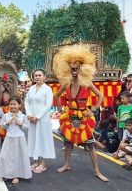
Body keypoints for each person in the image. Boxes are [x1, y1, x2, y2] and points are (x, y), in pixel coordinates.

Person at [53, 44, 108, 182]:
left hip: (84, 117)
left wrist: (94, 109)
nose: (74, 69)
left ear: (82, 68)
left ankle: (97, 170)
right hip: (69, 117)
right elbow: (56, 96)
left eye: (77, 66)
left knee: (90, 145)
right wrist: (60, 108)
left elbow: (101, 96)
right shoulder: (66, 83)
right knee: (68, 143)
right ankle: (66, 164)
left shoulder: (87, 83)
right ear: (69, 68)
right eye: (72, 66)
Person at [25, 69, 55, 174]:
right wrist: (29, 115)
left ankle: (43, 163)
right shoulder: (31, 88)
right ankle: (36, 161)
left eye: (39, 75)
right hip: (32, 119)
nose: (37, 77)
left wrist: (37, 117)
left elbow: (48, 105)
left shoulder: (47, 89)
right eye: (36, 75)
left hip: (42, 119)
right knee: (33, 139)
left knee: (42, 140)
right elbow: (26, 102)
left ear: (44, 77)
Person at [0, 96, 32, 184]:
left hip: (19, 139)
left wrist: (20, 123)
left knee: (17, 157)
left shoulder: (23, 116)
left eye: (15, 104)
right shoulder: (5, 115)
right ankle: (7, 173)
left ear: (19, 105)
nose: (13, 106)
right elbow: (2, 127)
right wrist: (7, 123)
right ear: (9, 105)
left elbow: (26, 128)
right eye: (11, 104)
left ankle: (16, 175)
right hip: (8, 138)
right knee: (6, 156)